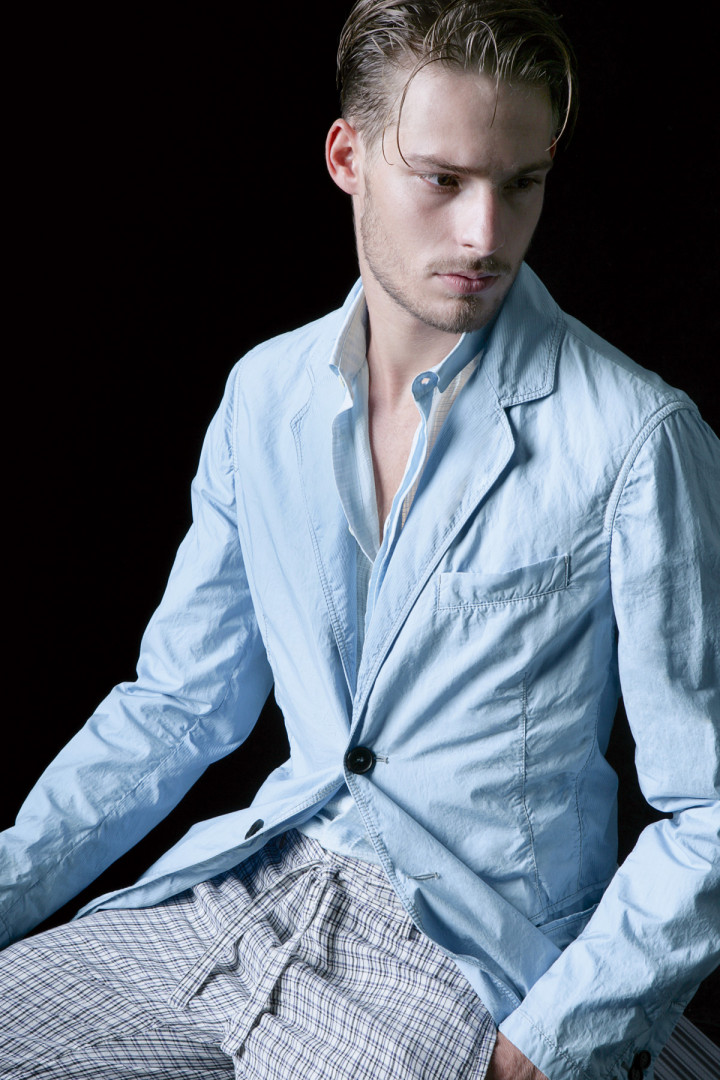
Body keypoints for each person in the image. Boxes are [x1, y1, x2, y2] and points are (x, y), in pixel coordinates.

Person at [1, 1, 718, 1077]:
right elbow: (180, 703)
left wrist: (553, 1040)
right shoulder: (263, 394)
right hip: (241, 883)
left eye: (521, 184)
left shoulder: (634, 435)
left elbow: (712, 804)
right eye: (443, 180)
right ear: (348, 159)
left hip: (459, 967)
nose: (486, 235)